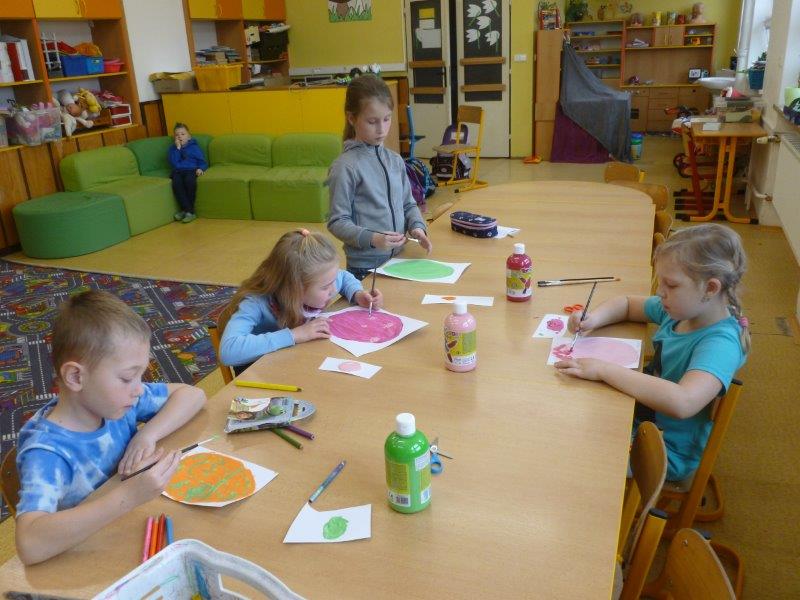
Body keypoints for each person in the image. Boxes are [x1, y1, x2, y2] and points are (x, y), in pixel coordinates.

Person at [14, 290, 206, 565]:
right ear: (76, 376)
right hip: (86, 562)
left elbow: (193, 395)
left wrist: (146, 435)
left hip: (128, 534)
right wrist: (129, 496)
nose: (138, 389)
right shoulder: (47, 453)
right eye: (127, 378)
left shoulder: (116, 404)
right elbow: (30, 544)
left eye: (141, 376)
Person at [554, 224, 749, 481]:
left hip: (663, 450)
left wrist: (603, 369)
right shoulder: (682, 310)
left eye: (671, 284)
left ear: (710, 288)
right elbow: (627, 304)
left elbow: (683, 401)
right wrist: (593, 319)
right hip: (638, 417)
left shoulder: (720, 344)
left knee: (567, 456)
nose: (660, 292)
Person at [219, 229, 383, 373]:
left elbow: (344, 277)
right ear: (295, 288)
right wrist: (295, 334)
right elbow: (229, 351)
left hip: (295, 360)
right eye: (325, 287)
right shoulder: (255, 302)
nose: (333, 289)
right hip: (259, 373)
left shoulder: (320, 278)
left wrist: (357, 294)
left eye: (332, 281)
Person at [327, 74, 432, 280]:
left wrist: (417, 227)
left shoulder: (395, 160)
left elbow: (408, 204)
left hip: (399, 258)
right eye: (372, 121)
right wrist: (373, 238)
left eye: (387, 119)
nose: (381, 129)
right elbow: (337, 221)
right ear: (351, 118)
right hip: (365, 268)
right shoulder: (345, 166)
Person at [169, 122, 208, 224]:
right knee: (176, 184)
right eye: (177, 135)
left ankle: (187, 211)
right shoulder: (173, 149)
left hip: (191, 170)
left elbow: (202, 162)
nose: (180, 136)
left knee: (190, 182)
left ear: (189, 136)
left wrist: (200, 169)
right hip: (178, 171)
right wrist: (178, 148)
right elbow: (174, 162)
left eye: (183, 134)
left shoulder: (194, 147)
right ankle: (188, 211)